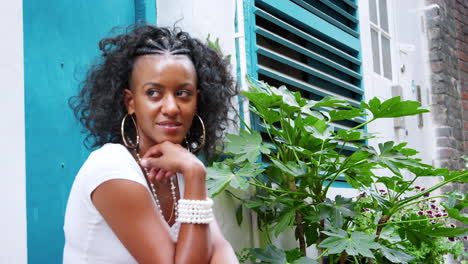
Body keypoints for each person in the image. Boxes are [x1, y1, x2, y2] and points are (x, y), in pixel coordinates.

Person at [64, 25, 239, 263]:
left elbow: (221, 250)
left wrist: (190, 172)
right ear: (131, 102)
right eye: (154, 93)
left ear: (197, 100)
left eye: (183, 93)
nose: (171, 108)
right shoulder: (112, 168)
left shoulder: (178, 165)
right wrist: (195, 173)